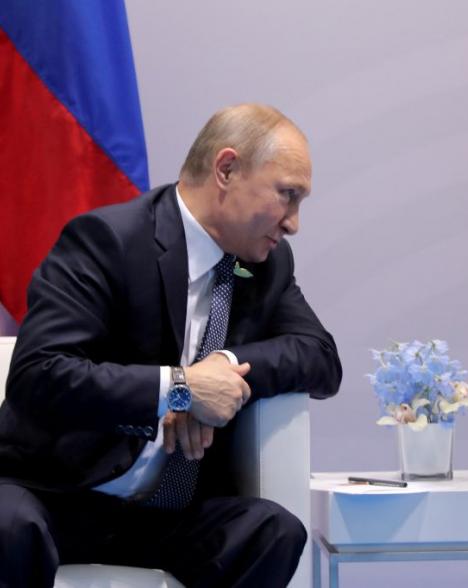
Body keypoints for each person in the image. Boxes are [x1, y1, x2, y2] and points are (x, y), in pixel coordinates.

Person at [0, 103, 342, 587]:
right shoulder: (108, 241)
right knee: (6, 525)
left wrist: (222, 370)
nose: (293, 223)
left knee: (273, 531)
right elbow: (40, 373)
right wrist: (179, 388)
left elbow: (321, 358)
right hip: (57, 493)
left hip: (167, 513)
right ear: (226, 169)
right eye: (287, 195)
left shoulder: (267, 264)